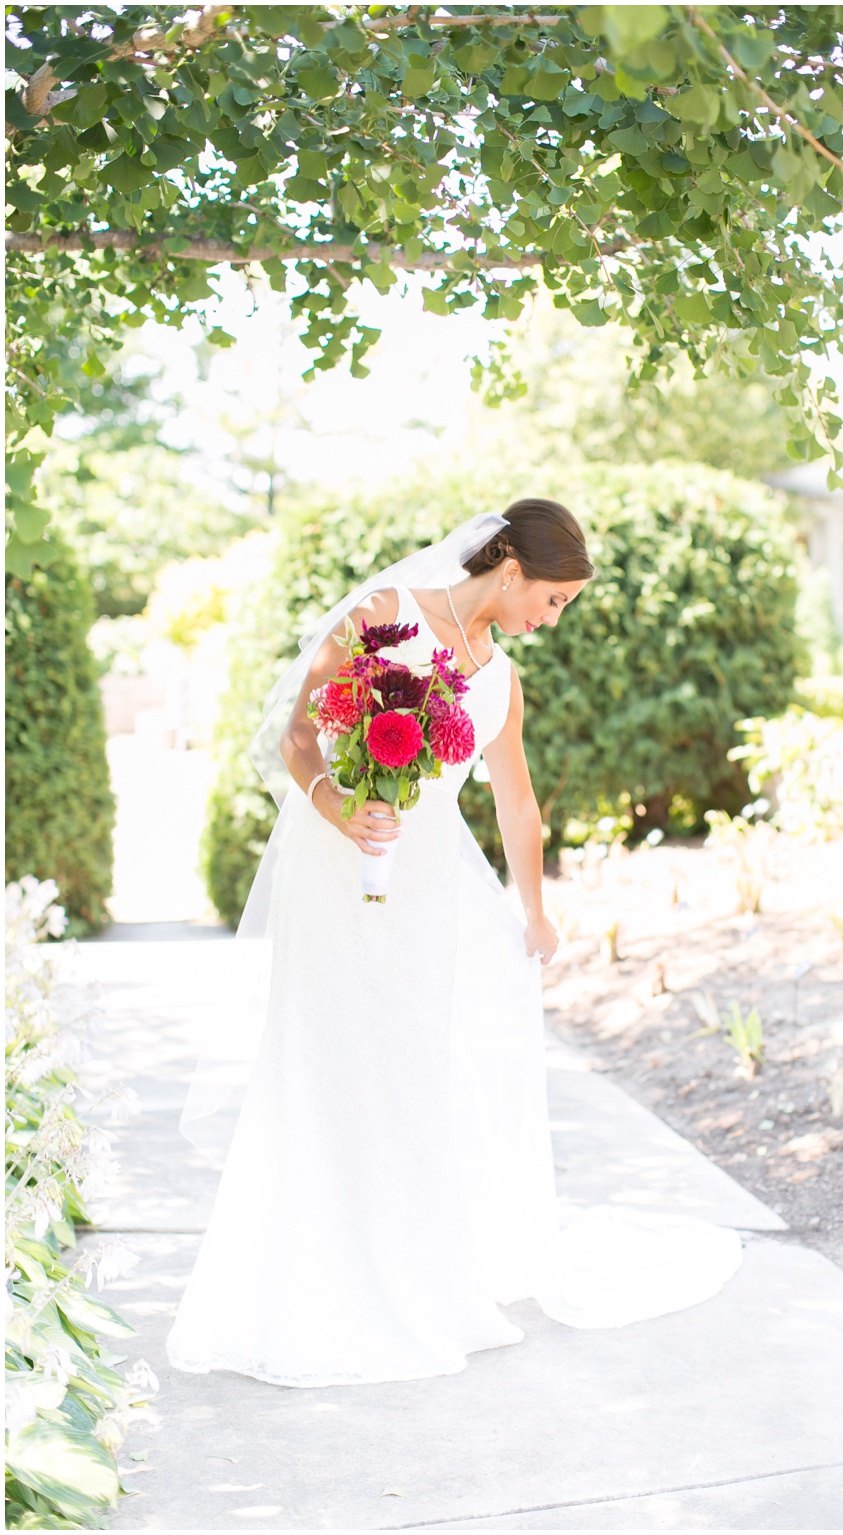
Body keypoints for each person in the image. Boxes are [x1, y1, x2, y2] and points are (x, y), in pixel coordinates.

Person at [169, 502, 742, 1387]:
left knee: (406, 1068)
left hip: (424, 887)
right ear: (509, 569)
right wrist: (337, 806)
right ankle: (304, 1279)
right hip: (336, 869)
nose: (550, 621)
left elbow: (518, 804)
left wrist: (537, 912)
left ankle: (403, 1277)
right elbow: (295, 735)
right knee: (321, 1060)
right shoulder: (382, 614)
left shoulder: (499, 679)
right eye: (551, 601)